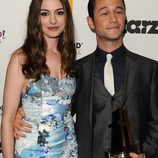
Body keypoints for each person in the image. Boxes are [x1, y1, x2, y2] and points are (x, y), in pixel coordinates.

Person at [13, 0, 158, 158]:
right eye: (104, 13)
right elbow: (58, 108)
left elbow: (156, 123)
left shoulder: (149, 69)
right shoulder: (75, 70)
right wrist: (20, 116)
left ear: (125, 17)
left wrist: (144, 153)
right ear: (91, 22)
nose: (113, 18)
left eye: (118, 11)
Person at [1, 0, 78, 157]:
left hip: (69, 149)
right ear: (35, 18)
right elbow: (8, 119)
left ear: (66, 17)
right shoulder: (21, 59)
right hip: (33, 151)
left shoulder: (69, 57)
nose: (53, 20)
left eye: (59, 12)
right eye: (45, 13)